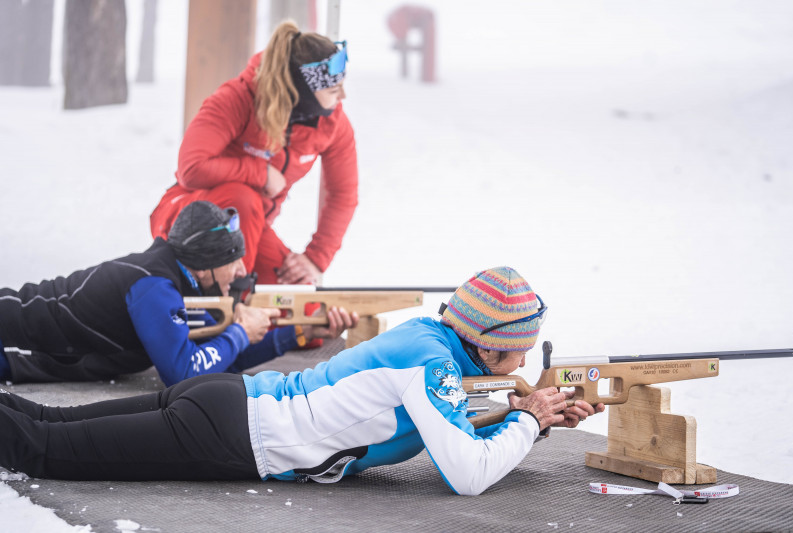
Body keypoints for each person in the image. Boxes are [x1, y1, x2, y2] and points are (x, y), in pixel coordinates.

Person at [0, 267, 603, 495]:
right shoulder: (433, 367)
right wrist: (527, 421)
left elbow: (452, 424)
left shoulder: (430, 339)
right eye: (518, 354)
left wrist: (532, 421)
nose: (521, 367)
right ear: (486, 343)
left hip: (227, 404)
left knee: (48, 424)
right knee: (41, 449)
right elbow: (467, 475)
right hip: (231, 435)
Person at [0, 201, 357, 386]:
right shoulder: (155, 287)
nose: (240, 272)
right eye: (232, 261)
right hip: (11, 338)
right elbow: (184, 374)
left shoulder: (180, 282)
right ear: (204, 265)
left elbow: (215, 361)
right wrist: (239, 332)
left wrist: (298, 332)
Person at [150, 20, 358, 286]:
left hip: (250, 229)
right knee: (243, 201)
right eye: (333, 89)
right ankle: (227, 302)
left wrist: (316, 259)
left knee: (297, 294)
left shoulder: (332, 124)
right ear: (302, 90)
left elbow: (343, 194)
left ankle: (242, 299)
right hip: (186, 219)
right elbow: (191, 168)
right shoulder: (238, 98)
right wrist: (261, 173)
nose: (343, 96)